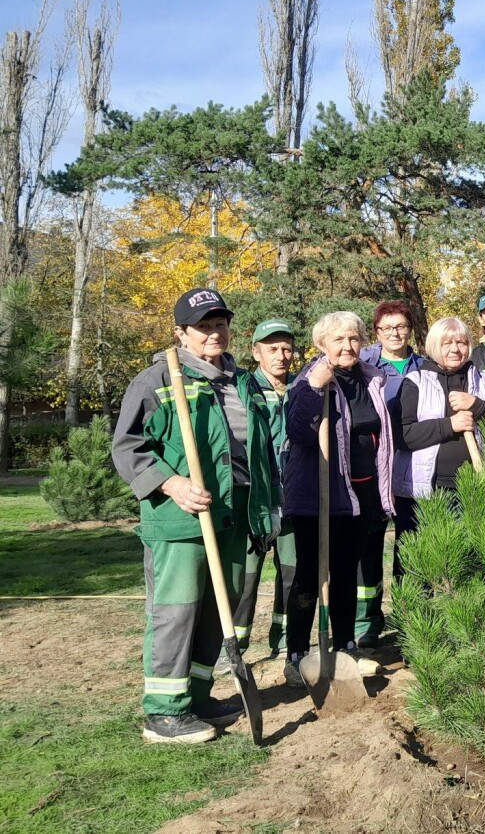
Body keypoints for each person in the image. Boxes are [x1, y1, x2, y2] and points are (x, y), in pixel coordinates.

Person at [111, 288, 280, 744]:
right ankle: (164, 712)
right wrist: (172, 483)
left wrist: (267, 504)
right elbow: (127, 447)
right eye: (203, 326)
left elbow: (260, 448)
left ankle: (199, 697)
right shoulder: (156, 380)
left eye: (220, 323)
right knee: (177, 609)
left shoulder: (243, 382)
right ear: (181, 333)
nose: (214, 333)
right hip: (182, 514)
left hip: (236, 512)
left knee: (216, 610)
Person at [283, 311, 395, 686]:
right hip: (317, 494)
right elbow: (298, 432)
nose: (347, 346)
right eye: (338, 340)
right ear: (321, 345)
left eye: (354, 338)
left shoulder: (371, 378)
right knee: (309, 575)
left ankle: (346, 645)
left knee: (346, 571)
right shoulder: (309, 380)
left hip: (360, 495)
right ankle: (296, 653)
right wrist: (315, 388)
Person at [395, 317, 485, 574]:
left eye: (461, 342)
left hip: (472, 488)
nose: (455, 349)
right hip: (423, 491)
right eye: (447, 343)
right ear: (434, 346)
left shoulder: (484, 381)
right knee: (418, 569)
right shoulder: (416, 382)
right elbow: (403, 436)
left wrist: (477, 405)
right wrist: (450, 425)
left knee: (468, 566)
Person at [228, 318, 298, 663]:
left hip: (293, 499)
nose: (280, 356)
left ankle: (284, 640)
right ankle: (234, 647)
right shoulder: (243, 388)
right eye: (272, 349)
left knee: (292, 574)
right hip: (255, 500)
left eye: (286, 349)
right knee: (245, 577)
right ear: (256, 353)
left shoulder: (302, 387)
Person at [356, 300, 423, 647]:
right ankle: (366, 622)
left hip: (411, 468)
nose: (395, 333)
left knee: (409, 546)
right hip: (372, 469)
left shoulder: (425, 367)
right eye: (387, 328)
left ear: (410, 329)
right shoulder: (364, 365)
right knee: (369, 545)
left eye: (401, 327)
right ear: (377, 332)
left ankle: (409, 619)